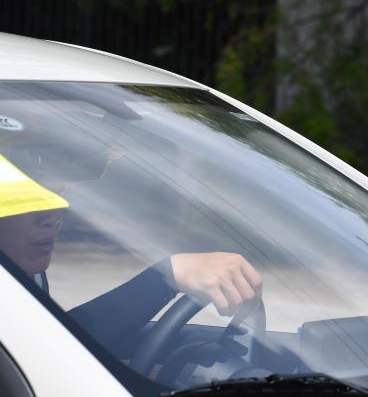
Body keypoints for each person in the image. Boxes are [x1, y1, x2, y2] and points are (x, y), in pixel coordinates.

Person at [0, 117, 262, 354]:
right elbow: (50, 355)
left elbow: (49, 342)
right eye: (27, 202)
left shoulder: (22, 274)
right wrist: (166, 277)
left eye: (60, 196)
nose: (53, 219)